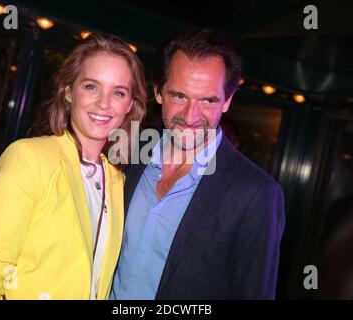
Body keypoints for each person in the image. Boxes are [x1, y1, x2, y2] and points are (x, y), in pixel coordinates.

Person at [0, 33, 147, 300]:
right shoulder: (29, 158)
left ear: (129, 105)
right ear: (69, 92)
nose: (104, 103)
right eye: (91, 86)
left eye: (118, 92)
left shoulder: (117, 180)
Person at [111, 27, 285, 300]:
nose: (191, 116)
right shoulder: (127, 156)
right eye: (179, 96)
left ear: (227, 101)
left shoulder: (256, 194)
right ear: (158, 91)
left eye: (207, 100)